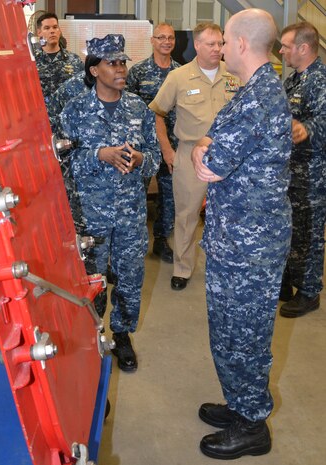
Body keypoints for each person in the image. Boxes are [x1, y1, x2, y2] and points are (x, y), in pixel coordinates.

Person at [191, 9, 292, 459]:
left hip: (250, 247)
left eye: (227, 41)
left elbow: (211, 162)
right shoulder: (254, 90)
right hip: (237, 239)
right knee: (230, 332)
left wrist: (200, 152)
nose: (223, 48)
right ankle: (240, 404)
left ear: (243, 45)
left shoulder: (259, 97)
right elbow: (214, 141)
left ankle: (252, 423)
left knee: (244, 335)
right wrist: (205, 146)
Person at [60, 34, 160, 372]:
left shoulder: (138, 108)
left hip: (131, 214)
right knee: (92, 279)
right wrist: (98, 155)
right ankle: (91, 334)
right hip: (91, 216)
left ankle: (121, 335)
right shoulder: (75, 111)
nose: (121, 69)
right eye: (112, 63)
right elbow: (62, 162)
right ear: (94, 69)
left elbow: (156, 158)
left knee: (130, 277)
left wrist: (141, 159)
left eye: (123, 62)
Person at [149, 23, 239, 290]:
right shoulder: (178, 77)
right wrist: (168, 150)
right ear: (197, 45)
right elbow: (157, 113)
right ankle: (182, 268)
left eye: (220, 43)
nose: (217, 49)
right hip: (189, 155)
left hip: (229, 157)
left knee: (230, 217)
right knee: (186, 215)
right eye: (211, 44)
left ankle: (226, 269)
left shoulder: (235, 76)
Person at [278, 21, 326, 318]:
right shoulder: (295, 80)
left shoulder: (321, 80)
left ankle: (309, 292)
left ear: (304, 48)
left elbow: (322, 123)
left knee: (309, 234)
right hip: (291, 171)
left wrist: (303, 128)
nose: (281, 51)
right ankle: (289, 281)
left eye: (286, 46)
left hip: (312, 174)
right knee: (292, 229)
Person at [126, 23, 181, 264]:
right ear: (152, 40)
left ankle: (161, 241)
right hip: (145, 146)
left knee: (169, 197)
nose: (166, 42)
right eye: (161, 37)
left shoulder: (181, 72)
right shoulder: (137, 72)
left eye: (170, 38)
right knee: (137, 195)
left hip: (172, 146)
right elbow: (126, 107)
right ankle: (134, 243)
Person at [34, 12, 84, 106]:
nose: (52, 31)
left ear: (59, 31)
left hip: (66, 116)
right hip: (40, 115)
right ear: (39, 32)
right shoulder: (31, 61)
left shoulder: (74, 60)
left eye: (55, 27)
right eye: (47, 28)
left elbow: (83, 89)